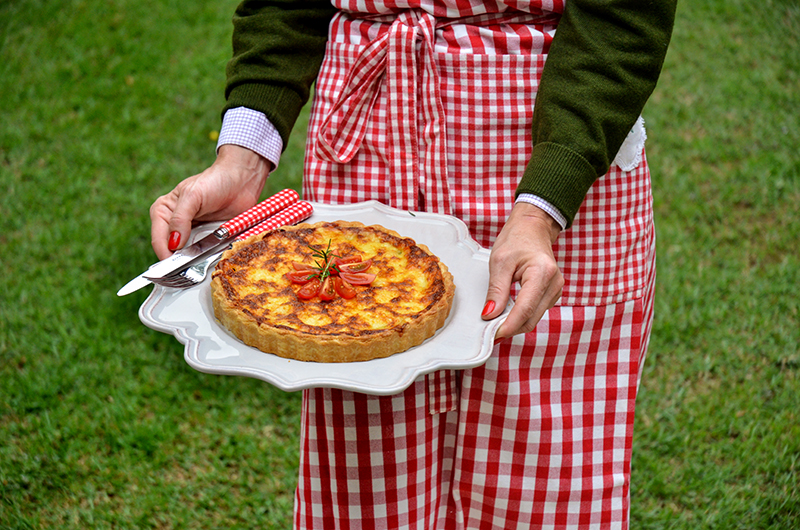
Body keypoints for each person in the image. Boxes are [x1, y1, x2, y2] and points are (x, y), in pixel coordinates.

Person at [150, 1, 676, 528]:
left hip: (559, 150)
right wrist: (242, 155)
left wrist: (545, 205)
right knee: (368, 494)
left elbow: (623, 17)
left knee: (547, 483)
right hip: (373, 145)